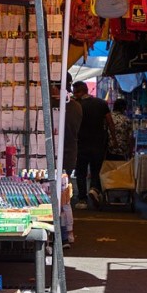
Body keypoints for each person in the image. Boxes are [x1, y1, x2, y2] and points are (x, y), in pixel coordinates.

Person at [72, 81, 116, 210]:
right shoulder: (101, 103)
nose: (75, 95)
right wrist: (114, 139)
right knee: (96, 169)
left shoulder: (76, 105)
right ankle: (94, 189)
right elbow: (110, 123)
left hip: (81, 143)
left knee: (81, 172)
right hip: (98, 143)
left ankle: (82, 199)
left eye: (75, 92)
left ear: (80, 92)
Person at [51, 74, 81, 246]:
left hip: (56, 155)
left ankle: (61, 235)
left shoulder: (57, 105)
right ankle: (67, 234)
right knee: (64, 197)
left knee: (57, 197)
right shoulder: (76, 106)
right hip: (69, 155)